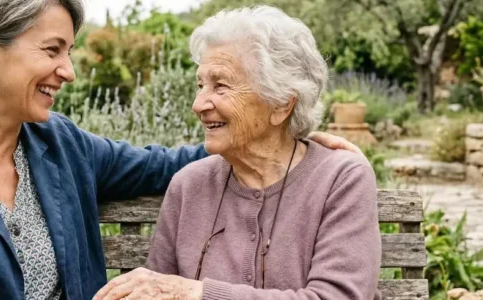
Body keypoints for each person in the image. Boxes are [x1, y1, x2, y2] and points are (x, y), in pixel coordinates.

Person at [0, 0, 363, 299]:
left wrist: (277, 135)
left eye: (69, 52)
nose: (69, 71)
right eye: (52, 50)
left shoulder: (59, 145)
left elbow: (160, 165)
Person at [93, 5, 382, 300]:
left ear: (282, 104)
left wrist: (196, 293)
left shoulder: (339, 179)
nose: (198, 104)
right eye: (200, 85)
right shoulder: (189, 185)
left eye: (220, 86)